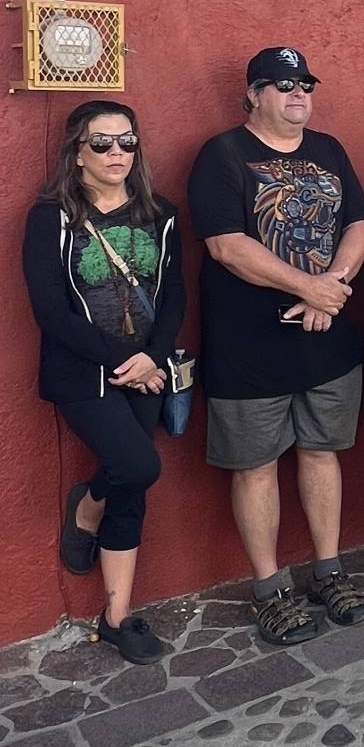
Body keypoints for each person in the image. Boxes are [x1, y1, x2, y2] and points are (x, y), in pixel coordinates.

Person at [188, 47, 364, 644]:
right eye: (283, 84)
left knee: (323, 453)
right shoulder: (222, 155)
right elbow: (226, 244)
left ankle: (328, 570)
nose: (299, 94)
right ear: (253, 94)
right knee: (256, 465)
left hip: (327, 339)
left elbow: (358, 224)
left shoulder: (329, 149)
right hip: (248, 344)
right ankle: (270, 588)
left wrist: (334, 288)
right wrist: (310, 288)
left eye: (306, 84)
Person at [23, 101, 185, 664]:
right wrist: (126, 358)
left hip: (146, 372)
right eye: (102, 143)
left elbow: (174, 298)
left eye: (127, 142)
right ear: (77, 151)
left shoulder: (160, 213)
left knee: (132, 488)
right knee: (137, 467)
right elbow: (51, 311)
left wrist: (154, 357)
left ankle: (116, 617)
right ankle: (85, 509)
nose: (117, 153)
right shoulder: (51, 217)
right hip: (83, 372)